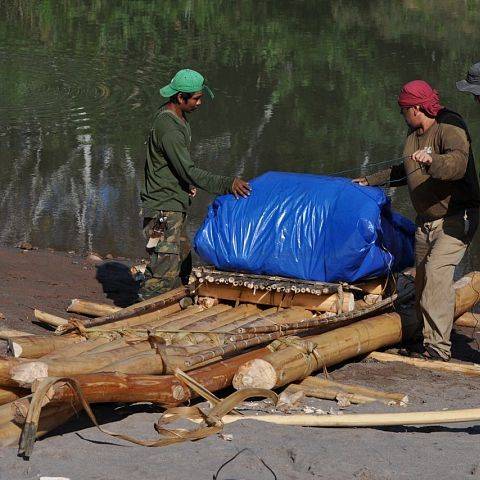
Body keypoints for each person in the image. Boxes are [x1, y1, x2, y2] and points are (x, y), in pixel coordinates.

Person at [354, 80, 480, 361]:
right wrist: (370, 181)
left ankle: (438, 348)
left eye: (403, 110)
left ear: (417, 108)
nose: (402, 115)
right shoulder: (413, 134)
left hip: (457, 218)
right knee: (423, 281)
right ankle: (422, 335)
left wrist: (431, 162)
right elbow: (404, 170)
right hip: (426, 221)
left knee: (436, 272)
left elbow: (458, 164)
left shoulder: (450, 127)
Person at [139, 68, 251, 300]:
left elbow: (173, 165)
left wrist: (184, 182)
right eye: (196, 98)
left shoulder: (178, 119)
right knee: (162, 269)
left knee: (182, 260)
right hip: (163, 207)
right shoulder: (169, 128)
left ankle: (176, 304)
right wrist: (227, 183)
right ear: (180, 97)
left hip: (174, 201)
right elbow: (188, 170)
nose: (200, 102)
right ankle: (142, 313)